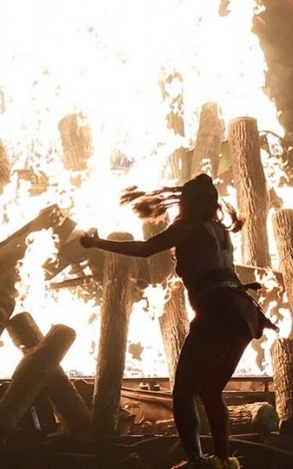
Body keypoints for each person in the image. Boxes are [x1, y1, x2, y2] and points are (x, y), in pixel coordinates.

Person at [80, 173, 275, 469]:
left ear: (187, 202)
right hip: (243, 314)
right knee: (210, 391)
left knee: (183, 394)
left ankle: (197, 462)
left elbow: (145, 249)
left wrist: (98, 243)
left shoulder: (187, 227)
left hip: (217, 311)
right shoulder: (220, 230)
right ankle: (223, 461)